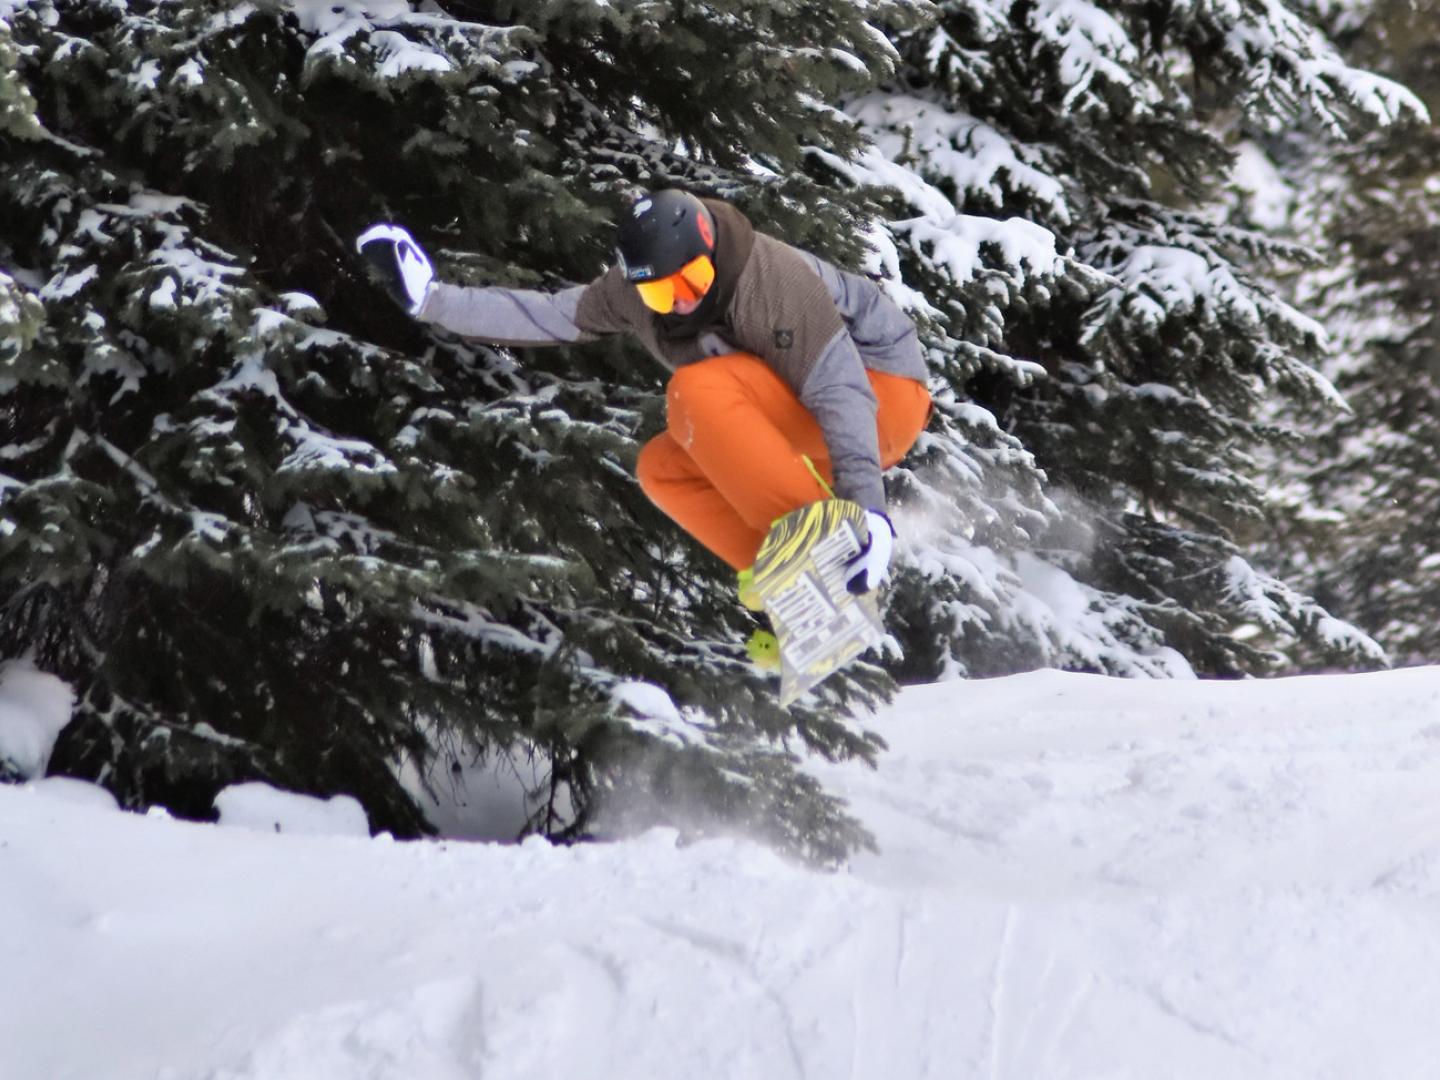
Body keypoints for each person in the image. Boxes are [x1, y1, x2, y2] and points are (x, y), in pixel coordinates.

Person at [356, 189, 930, 608]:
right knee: (663, 468)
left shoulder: (769, 280)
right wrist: (432, 301)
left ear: (711, 251)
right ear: (637, 284)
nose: (681, 301)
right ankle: (792, 580)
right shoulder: (629, 297)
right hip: (803, 412)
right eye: (662, 290)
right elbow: (550, 314)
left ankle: (832, 546)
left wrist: (868, 512)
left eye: (694, 282)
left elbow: (842, 392)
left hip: (884, 392)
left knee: (696, 389)